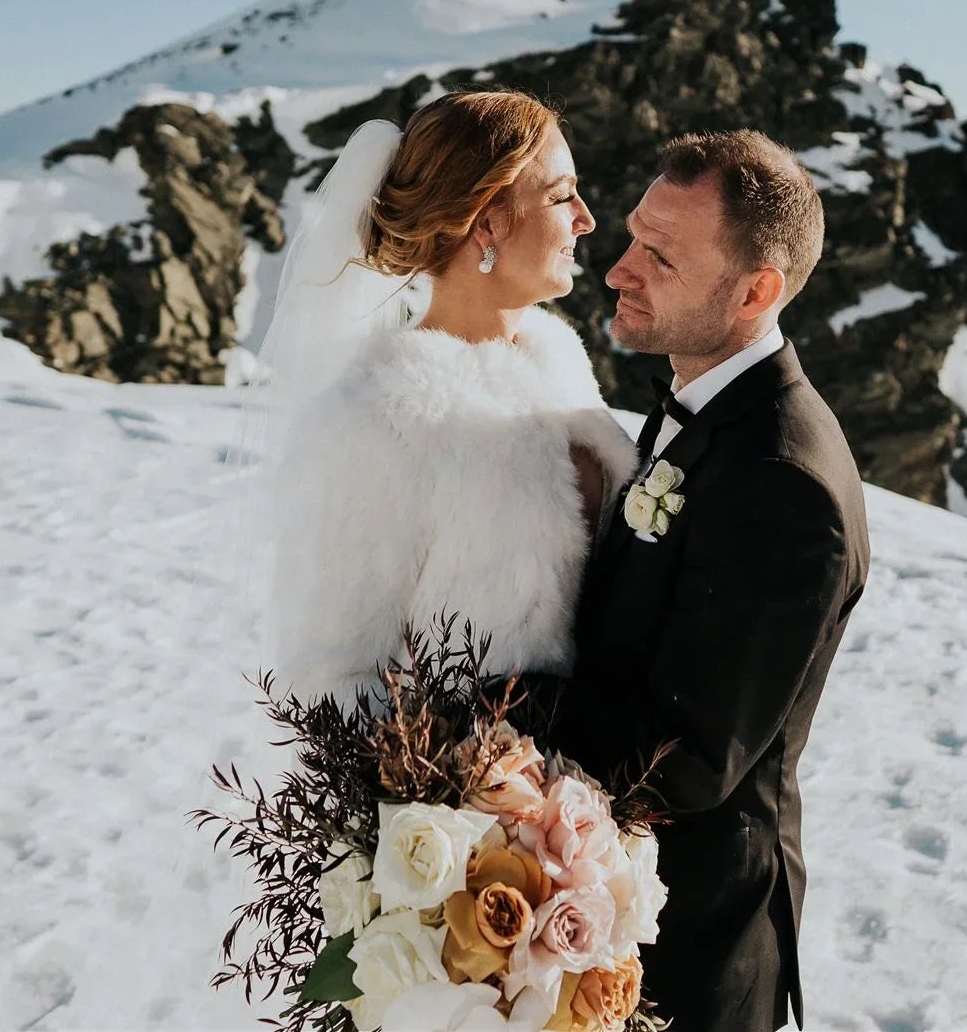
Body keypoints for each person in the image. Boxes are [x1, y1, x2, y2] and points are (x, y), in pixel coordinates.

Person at [549, 130, 871, 1032]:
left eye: (660, 254)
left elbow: (686, 759)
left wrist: (493, 702)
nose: (617, 270)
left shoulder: (784, 481)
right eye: (631, 237)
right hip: (613, 916)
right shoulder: (706, 410)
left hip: (693, 958)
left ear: (755, 290)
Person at [260, 89, 638, 703]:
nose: (586, 218)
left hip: (622, 775)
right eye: (561, 194)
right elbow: (337, 676)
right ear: (487, 222)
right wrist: (457, 793)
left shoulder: (561, 360)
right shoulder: (379, 417)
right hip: (480, 784)